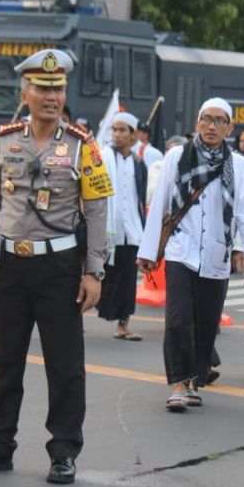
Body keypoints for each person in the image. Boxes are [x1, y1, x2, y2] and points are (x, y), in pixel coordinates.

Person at [0, 48, 111, 484]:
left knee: (65, 365)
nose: (51, 95)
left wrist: (93, 271)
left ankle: (63, 451)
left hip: (59, 267)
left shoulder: (83, 145)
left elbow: (98, 211)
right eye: (43, 88)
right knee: (5, 362)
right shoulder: (5, 141)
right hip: (10, 264)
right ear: (25, 92)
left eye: (58, 88)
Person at [138, 98, 244, 412]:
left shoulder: (238, 164)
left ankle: (194, 380)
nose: (212, 126)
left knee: (206, 323)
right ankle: (178, 384)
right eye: (206, 119)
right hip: (181, 250)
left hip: (216, 254)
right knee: (178, 319)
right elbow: (162, 203)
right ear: (197, 123)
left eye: (220, 120)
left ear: (229, 127)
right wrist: (149, 250)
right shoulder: (177, 156)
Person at [98, 111, 147, 340]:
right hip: (108, 229)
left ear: (133, 135)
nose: (117, 134)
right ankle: (73, 318)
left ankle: (123, 325)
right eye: (114, 129)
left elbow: (140, 197)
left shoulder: (139, 164)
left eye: (122, 130)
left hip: (132, 231)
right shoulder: (103, 157)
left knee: (128, 280)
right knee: (98, 277)